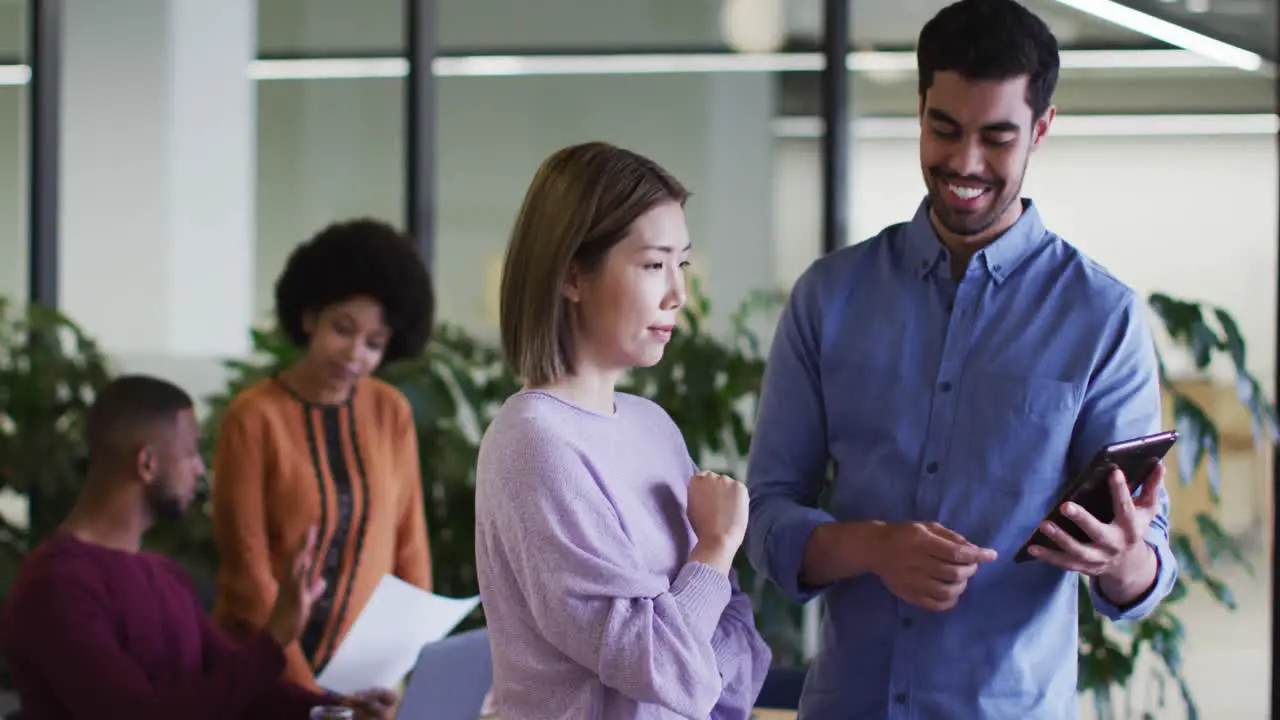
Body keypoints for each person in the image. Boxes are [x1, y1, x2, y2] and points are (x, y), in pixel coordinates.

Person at [744, 1, 1178, 717]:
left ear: (1041, 129)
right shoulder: (829, 297)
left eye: (997, 138)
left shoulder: (1103, 318)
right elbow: (763, 520)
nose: (965, 164)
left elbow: (1143, 572)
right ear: (919, 108)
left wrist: (1122, 558)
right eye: (944, 129)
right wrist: (873, 547)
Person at [474, 141, 773, 719]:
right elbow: (660, 662)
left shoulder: (652, 426)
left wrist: (688, 645)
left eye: (681, 263)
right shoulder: (534, 441)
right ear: (571, 275)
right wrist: (714, 549)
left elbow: (740, 653)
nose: (678, 294)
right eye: (653, 264)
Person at [0, 375, 395, 719]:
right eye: (190, 452)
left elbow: (241, 693)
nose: (200, 469)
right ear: (147, 464)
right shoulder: (55, 585)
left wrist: (336, 710)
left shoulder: (166, 576)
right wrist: (275, 636)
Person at [211, 218, 436, 692]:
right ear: (309, 316)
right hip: (263, 677)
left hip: (365, 684)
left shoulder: (389, 412)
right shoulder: (253, 418)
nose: (354, 353)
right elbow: (248, 577)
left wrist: (397, 675)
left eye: (374, 343)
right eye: (343, 328)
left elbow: (411, 551)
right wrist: (308, 697)